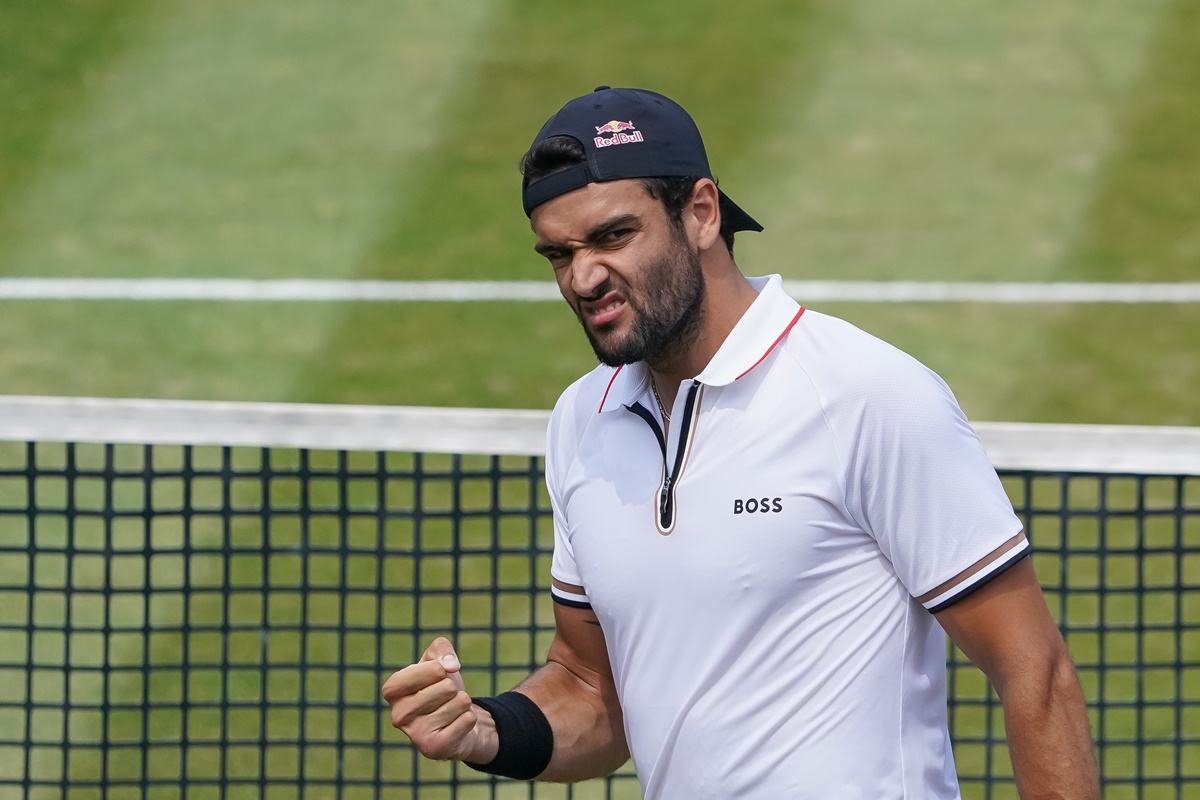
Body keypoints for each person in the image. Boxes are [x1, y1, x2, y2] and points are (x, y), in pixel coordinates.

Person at [382, 86, 1099, 799]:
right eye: (558, 254)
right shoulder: (581, 422)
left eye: (612, 236)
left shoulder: (864, 395)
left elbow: (1033, 671)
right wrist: (486, 729)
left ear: (700, 212)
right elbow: (592, 686)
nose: (583, 277)